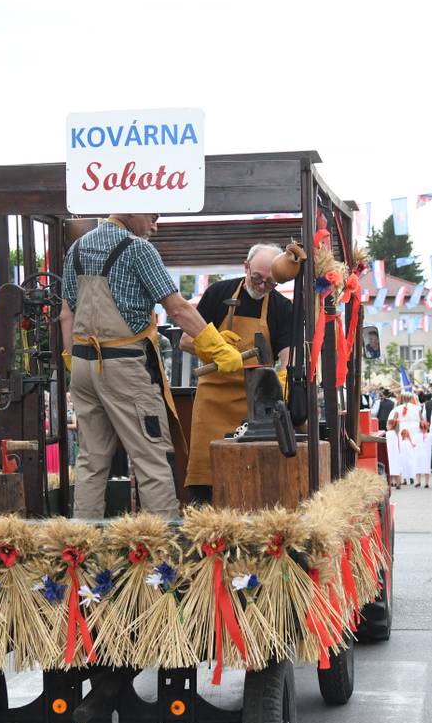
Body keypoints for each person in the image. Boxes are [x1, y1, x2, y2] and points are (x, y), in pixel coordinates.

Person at [59, 212, 243, 519]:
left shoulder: (76, 248)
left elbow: (66, 313)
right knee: (151, 456)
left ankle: (81, 547)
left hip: (82, 365)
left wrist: (71, 359)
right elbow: (178, 309)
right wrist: (217, 348)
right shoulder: (138, 248)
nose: (155, 226)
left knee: (91, 461)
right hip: (123, 367)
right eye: (154, 217)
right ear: (132, 209)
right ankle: (163, 550)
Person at [179, 243, 293, 502]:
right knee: (206, 474)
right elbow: (185, 340)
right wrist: (214, 346)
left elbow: (289, 355)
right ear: (246, 267)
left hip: (254, 405)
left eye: (270, 283)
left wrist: (285, 382)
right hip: (212, 402)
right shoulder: (217, 293)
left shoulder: (281, 307)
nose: (262, 286)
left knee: (250, 475)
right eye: (257, 278)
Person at [387, 393, 420, 484]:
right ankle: (413, 474)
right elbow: (421, 419)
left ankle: (403, 476)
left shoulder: (397, 409)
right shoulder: (417, 408)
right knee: (413, 453)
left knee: (402, 453)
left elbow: (391, 421)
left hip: (401, 430)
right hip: (414, 431)